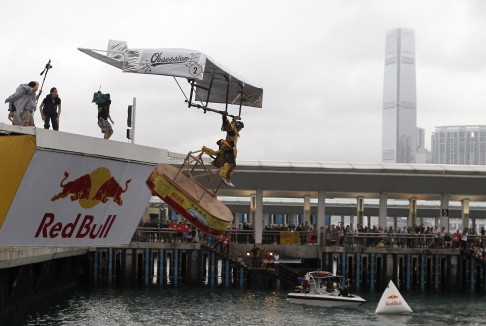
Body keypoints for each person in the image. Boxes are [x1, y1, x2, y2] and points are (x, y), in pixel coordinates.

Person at [202, 113, 244, 184]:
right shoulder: (233, 130)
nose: (240, 129)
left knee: (218, 154)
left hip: (226, 148)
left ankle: (205, 149)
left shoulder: (234, 130)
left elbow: (231, 125)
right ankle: (223, 175)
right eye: (240, 128)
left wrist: (234, 119)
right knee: (231, 163)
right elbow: (228, 125)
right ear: (238, 126)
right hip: (228, 149)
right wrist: (224, 116)